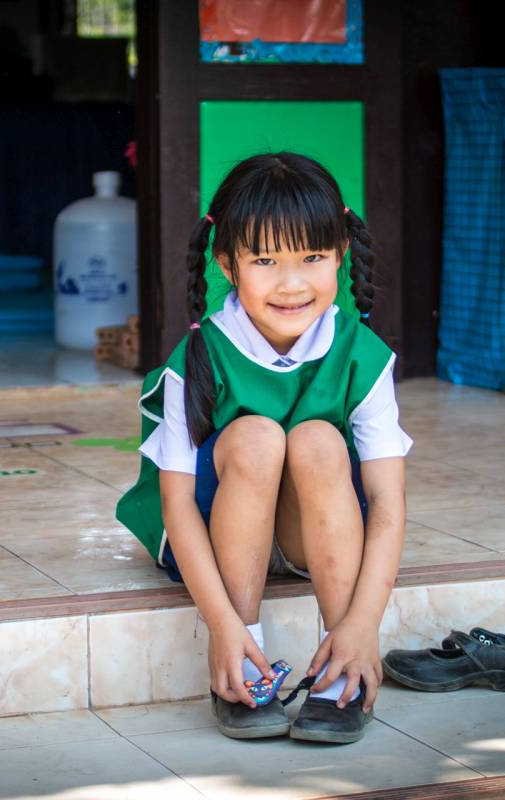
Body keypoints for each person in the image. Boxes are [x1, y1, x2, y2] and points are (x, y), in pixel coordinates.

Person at [116, 152, 413, 744]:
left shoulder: (364, 355)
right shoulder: (198, 356)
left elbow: (385, 503)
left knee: (319, 440)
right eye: (265, 260)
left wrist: (362, 625)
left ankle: (338, 672)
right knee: (254, 436)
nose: (292, 282)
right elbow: (177, 506)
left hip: (308, 540)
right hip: (209, 538)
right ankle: (244, 668)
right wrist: (223, 627)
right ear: (227, 262)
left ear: (341, 254)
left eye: (312, 257)